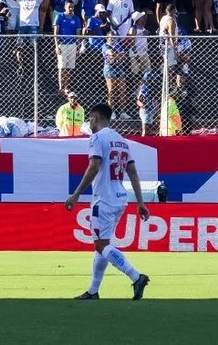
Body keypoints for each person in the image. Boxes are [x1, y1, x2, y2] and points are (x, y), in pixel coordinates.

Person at [64, 103, 150, 300]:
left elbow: (93, 167)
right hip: (120, 199)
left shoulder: (97, 138)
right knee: (103, 244)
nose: (89, 124)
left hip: (103, 199)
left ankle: (136, 276)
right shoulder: (122, 141)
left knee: (101, 245)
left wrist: (76, 194)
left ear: (95, 118)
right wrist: (140, 203)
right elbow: (133, 172)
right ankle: (93, 291)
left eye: (90, 119)